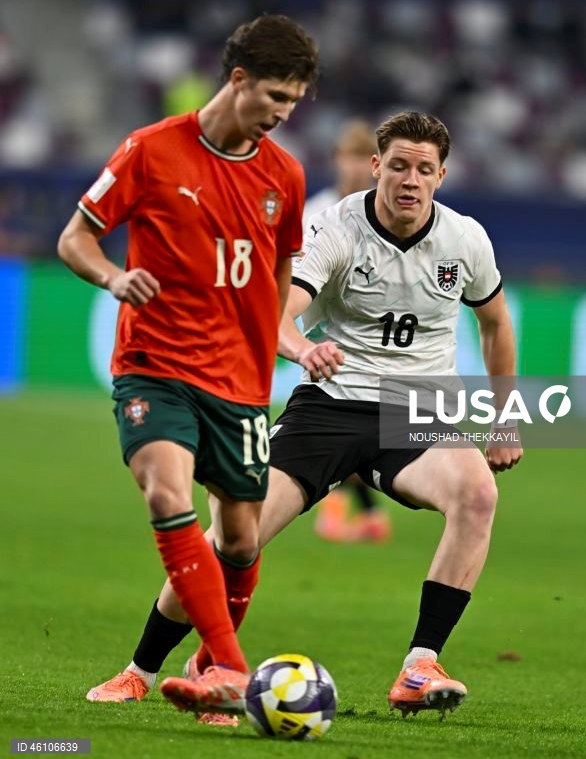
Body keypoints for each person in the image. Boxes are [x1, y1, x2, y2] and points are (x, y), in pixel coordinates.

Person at [86, 110, 522, 723]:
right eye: (398, 165)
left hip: (418, 412)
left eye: (425, 170)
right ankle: (140, 671)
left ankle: (421, 664)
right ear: (376, 167)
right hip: (331, 407)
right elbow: (279, 312)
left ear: (441, 176)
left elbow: (496, 322)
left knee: (477, 495)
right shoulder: (336, 227)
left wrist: (504, 420)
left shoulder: (465, 239)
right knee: (236, 539)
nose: (410, 180)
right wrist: (302, 347)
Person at [57, 13, 319, 722]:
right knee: (164, 491)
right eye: (273, 97)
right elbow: (75, 237)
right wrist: (113, 279)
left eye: (292, 103)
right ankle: (233, 665)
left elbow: (279, 268)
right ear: (236, 80)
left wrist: (279, 345)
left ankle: (202, 672)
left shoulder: (283, 175)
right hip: (155, 365)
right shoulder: (150, 150)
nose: (281, 114)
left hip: (237, 383)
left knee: (240, 536)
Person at [303, 118, 392, 544]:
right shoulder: (315, 213)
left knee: (355, 427)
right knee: (346, 424)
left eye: (363, 158)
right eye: (349, 156)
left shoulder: (387, 213)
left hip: (371, 338)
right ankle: (363, 514)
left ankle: (349, 512)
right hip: (320, 336)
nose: (356, 167)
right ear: (338, 160)